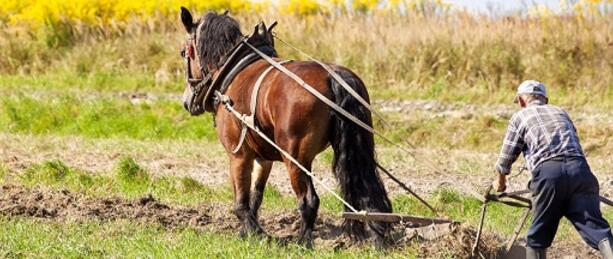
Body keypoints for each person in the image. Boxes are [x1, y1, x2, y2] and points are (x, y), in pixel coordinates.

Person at [493, 80, 613, 259]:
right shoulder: (561, 112)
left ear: (521, 101)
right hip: (581, 172)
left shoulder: (520, 116)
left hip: (549, 175)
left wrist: (500, 182)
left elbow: (506, 157)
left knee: (537, 237)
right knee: (598, 231)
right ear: (545, 99)